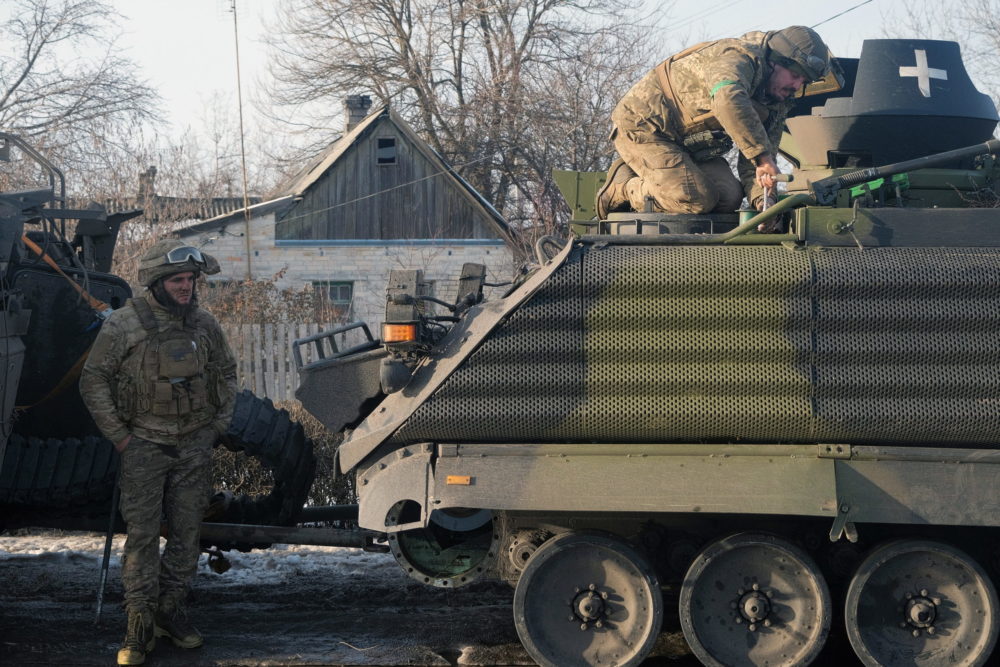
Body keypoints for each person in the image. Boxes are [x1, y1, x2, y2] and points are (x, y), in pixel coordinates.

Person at [80, 239, 237, 666]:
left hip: (193, 447)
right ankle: (139, 621)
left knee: (187, 533)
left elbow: (226, 373)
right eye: (177, 280)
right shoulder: (124, 326)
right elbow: (93, 381)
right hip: (144, 445)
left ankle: (169, 610)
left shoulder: (204, 325)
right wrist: (121, 437)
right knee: (143, 538)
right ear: (157, 282)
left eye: (190, 279)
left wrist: (216, 427)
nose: (186, 287)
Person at [596, 26, 834, 218]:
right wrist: (762, 157)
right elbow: (727, 98)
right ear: (775, 61)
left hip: (691, 146)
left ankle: (657, 178)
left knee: (728, 198)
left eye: (803, 81)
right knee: (694, 198)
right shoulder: (739, 56)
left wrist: (766, 203)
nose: (796, 86)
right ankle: (623, 187)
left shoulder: (777, 99)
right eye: (795, 75)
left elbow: (761, 162)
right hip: (645, 126)